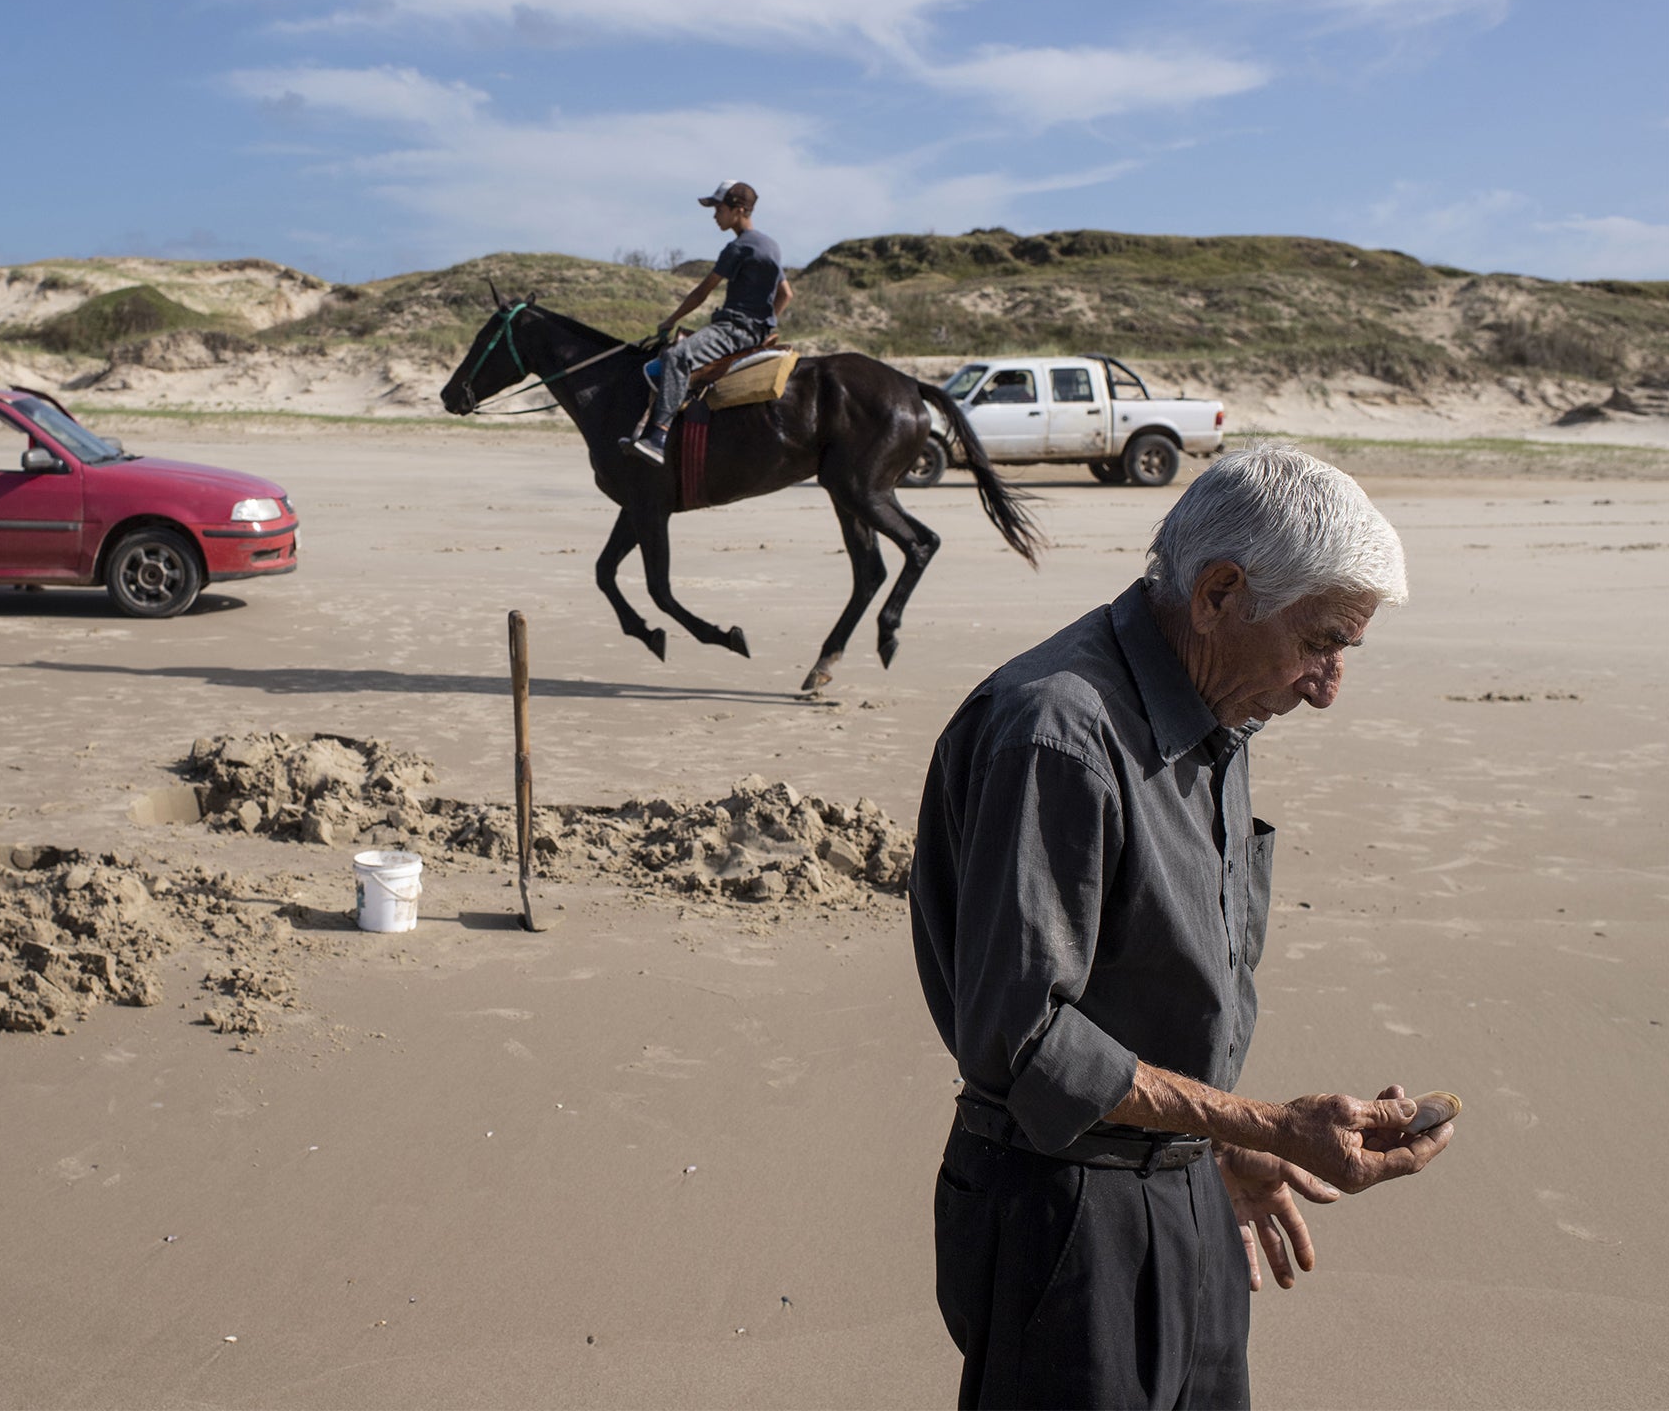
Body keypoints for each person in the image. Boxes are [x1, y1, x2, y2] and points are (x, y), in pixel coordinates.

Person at [909, 444, 1454, 1410]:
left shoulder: (1218, 710)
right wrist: (1269, 1125)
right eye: (1323, 641)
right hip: (1061, 1213)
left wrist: (1220, 1151)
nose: (1328, 687)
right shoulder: (1057, 734)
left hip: (1189, 1185)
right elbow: (1023, 1044)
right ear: (1219, 594)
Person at [623, 180, 793, 466]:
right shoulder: (771, 246)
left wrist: (670, 320)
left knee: (678, 356)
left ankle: (658, 437)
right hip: (755, 331)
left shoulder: (738, 247)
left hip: (733, 330)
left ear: (738, 210)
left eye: (719, 208)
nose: (715, 215)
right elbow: (786, 294)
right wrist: (766, 326)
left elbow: (702, 292)